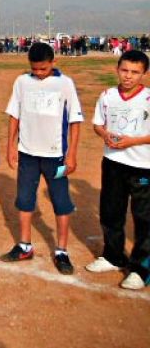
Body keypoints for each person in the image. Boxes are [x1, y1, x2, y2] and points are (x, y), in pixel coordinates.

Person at [1, 42, 83, 275]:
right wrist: (10, 146)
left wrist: (72, 154)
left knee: (61, 202)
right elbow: (14, 115)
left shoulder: (65, 84)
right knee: (25, 200)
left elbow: (75, 122)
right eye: (34, 69)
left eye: (43, 69)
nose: (38, 73)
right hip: (27, 153)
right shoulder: (22, 82)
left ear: (53, 63)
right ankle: (24, 245)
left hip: (55, 156)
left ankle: (61, 251)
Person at [87, 50, 150, 290]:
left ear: (144, 73)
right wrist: (105, 135)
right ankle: (113, 257)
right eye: (124, 70)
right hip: (113, 163)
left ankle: (140, 269)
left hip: (142, 166)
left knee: (143, 217)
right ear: (117, 69)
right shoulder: (107, 96)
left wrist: (132, 142)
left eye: (135, 72)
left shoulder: (148, 98)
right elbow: (97, 124)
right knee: (111, 211)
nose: (128, 76)